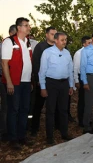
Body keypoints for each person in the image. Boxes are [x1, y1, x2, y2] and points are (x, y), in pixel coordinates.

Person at [1, 17, 33, 150]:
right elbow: (4, 63)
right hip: (14, 82)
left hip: (26, 82)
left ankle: (21, 136)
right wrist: (9, 82)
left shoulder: (28, 42)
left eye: (28, 25)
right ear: (19, 28)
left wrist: (30, 80)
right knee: (13, 109)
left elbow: (28, 62)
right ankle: (12, 138)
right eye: (26, 25)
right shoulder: (9, 42)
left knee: (24, 109)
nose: (28, 27)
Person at [38, 32, 74, 144]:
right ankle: (50, 137)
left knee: (63, 110)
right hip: (51, 84)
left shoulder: (67, 53)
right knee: (50, 110)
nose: (65, 42)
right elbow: (42, 71)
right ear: (56, 40)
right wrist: (43, 87)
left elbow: (70, 71)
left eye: (66, 39)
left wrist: (71, 85)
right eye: (62, 40)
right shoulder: (47, 53)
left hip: (64, 84)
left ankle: (64, 133)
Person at [30, 26, 57, 137]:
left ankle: (55, 126)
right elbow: (35, 64)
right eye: (52, 34)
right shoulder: (40, 47)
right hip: (42, 81)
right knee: (38, 106)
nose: (54, 36)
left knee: (54, 106)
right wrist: (38, 80)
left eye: (56, 34)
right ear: (46, 35)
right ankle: (34, 128)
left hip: (54, 82)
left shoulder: (58, 46)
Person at [0, 24, 17, 141]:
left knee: (9, 106)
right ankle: (4, 132)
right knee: (6, 107)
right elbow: (4, 64)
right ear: (11, 33)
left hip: (9, 79)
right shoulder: (6, 44)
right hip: (4, 79)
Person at [73, 36, 92, 127]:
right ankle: (81, 120)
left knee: (89, 100)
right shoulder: (79, 53)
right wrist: (76, 80)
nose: (90, 44)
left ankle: (87, 119)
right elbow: (76, 67)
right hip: (82, 78)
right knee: (83, 100)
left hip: (91, 77)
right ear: (83, 44)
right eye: (89, 43)